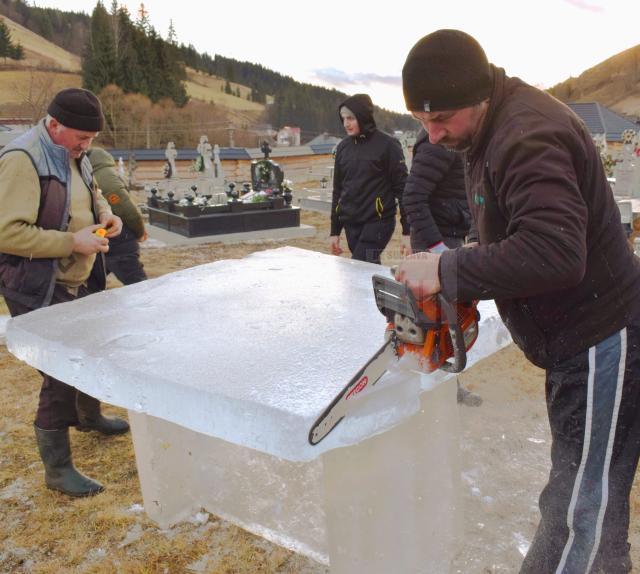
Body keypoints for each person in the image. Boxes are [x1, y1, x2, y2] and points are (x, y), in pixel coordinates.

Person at [397, 29, 640, 573]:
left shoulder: (529, 135)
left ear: (479, 96)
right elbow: (514, 228)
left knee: (580, 504)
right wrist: (464, 272)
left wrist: (447, 268)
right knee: (587, 489)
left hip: (602, 337)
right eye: (421, 120)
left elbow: (555, 252)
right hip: (573, 340)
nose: (432, 136)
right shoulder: (487, 128)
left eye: (442, 120)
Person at [0, 88, 128, 498]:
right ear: (54, 125)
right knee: (59, 370)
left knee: (91, 348)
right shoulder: (22, 160)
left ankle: (89, 415)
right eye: (81, 138)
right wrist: (73, 242)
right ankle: (58, 469)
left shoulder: (75, 153)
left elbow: (87, 200)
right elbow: (6, 232)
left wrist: (107, 216)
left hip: (81, 275)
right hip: (37, 283)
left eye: (91, 139)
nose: (86, 146)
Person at [403, 129, 482, 406]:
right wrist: (438, 249)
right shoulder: (439, 143)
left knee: (449, 318)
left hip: (451, 234)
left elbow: (471, 195)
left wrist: (472, 238)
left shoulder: (465, 139)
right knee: (434, 320)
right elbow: (413, 197)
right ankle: (432, 391)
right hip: (433, 240)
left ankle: (448, 386)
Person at [330, 93, 410, 264]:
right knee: (367, 270)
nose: (346, 124)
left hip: (379, 221)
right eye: (343, 119)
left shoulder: (388, 145)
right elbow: (338, 190)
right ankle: (374, 291)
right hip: (351, 223)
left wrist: (407, 231)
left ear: (363, 116)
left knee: (360, 265)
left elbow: (403, 189)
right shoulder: (343, 148)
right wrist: (334, 231)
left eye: (351, 118)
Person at [87, 147, 148, 285]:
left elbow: (122, 205)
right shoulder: (105, 174)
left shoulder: (95, 174)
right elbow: (127, 209)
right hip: (119, 241)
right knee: (138, 285)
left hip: (105, 237)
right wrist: (139, 231)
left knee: (90, 286)